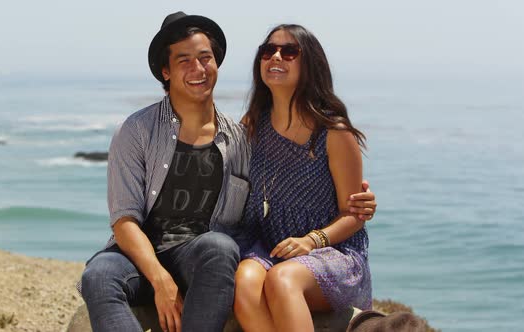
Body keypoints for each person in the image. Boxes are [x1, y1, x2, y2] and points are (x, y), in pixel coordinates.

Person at [80, 12, 376, 332]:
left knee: (222, 249)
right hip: (142, 259)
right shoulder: (138, 130)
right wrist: (160, 279)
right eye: (184, 60)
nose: (197, 69)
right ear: (165, 71)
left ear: (216, 64)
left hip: (207, 258)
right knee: (98, 275)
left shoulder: (239, 137)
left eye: (205, 58)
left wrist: (358, 207)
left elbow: (299, 194)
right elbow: (124, 220)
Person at [233, 24, 373, 332]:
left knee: (282, 280)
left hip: (331, 252)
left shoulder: (334, 134)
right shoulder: (254, 125)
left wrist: (312, 241)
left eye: (289, 51)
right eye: (268, 51)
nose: (276, 57)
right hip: (269, 245)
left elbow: (354, 215)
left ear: (310, 64)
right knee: (244, 283)